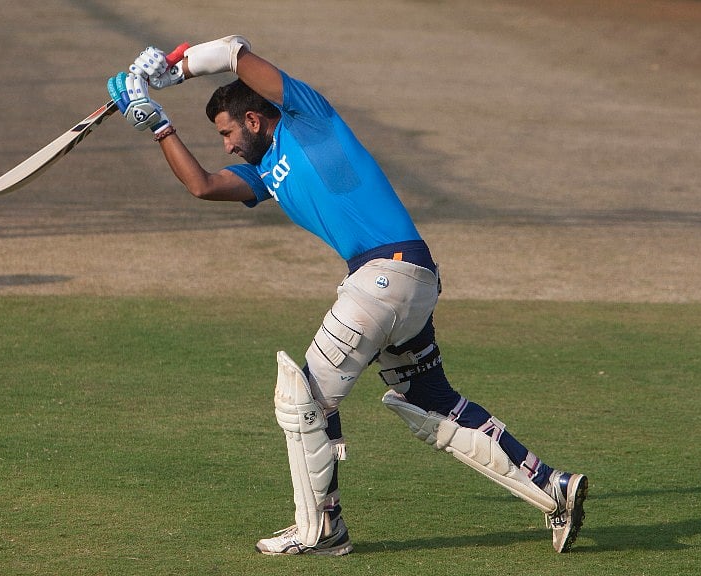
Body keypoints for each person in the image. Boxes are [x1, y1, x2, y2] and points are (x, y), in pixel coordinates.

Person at [107, 36, 588, 556]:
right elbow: (200, 185)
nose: (224, 145)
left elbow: (232, 52)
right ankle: (553, 488)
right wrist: (155, 122)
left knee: (304, 399)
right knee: (431, 404)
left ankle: (321, 530)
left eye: (226, 132)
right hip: (410, 280)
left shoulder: (308, 117)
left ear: (252, 119)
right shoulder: (265, 173)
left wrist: (175, 72)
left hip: (384, 275)